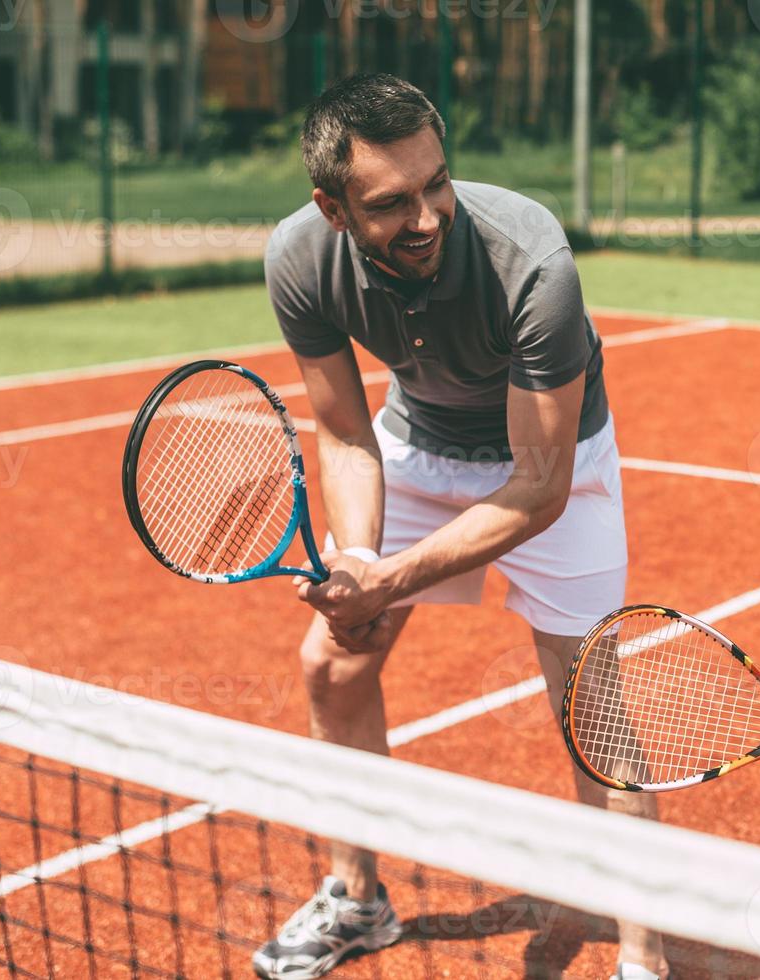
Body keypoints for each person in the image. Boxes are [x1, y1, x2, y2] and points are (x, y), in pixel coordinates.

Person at [252, 74, 665, 980]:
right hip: (420, 444)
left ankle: (643, 959)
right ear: (332, 208)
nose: (428, 215)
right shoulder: (296, 258)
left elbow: (537, 489)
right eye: (392, 202)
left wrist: (388, 581)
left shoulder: (533, 262)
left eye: (436, 184)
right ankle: (358, 901)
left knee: (591, 711)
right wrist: (359, 555)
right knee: (331, 662)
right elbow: (344, 432)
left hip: (556, 465)